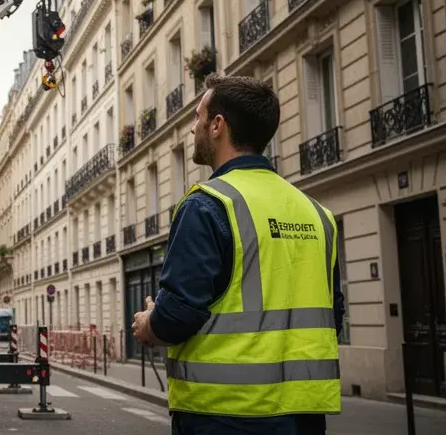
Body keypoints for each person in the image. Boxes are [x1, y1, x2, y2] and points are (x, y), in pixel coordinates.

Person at [131, 74, 345, 434]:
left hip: (224, 414)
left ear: (218, 126)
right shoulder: (317, 213)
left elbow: (179, 314)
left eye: (198, 117)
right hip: (305, 416)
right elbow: (332, 315)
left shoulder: (207, 204)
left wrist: (149, 324)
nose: (193, 127)